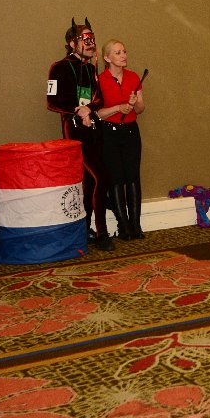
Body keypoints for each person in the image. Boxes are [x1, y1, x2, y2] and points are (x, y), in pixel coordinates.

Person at [46, 18, 114, 251]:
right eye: (85, 38)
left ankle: (84, 230)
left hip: (93, 127)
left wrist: (89, 109)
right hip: (74, 129)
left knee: (90, 180)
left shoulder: (91, 68)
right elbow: (52, 102)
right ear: (72, 43)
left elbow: (99, 99)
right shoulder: (59, 67)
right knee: (101, 177)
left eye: (92, 38)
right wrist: (77, 110)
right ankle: (102, 232)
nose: (90, 43)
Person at [96, 39, 147, 240]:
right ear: (107, 58)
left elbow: (141, 109)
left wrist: (134, 104)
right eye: (117, 53)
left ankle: (135, 225)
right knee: (115, 178)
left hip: (131, 132)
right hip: (109, 133)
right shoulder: (100, 80)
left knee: (133, 177)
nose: (123, 55)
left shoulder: (133, 77)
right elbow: (97, 114)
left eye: (124, 51)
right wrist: (118, 108)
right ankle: (123, 226)